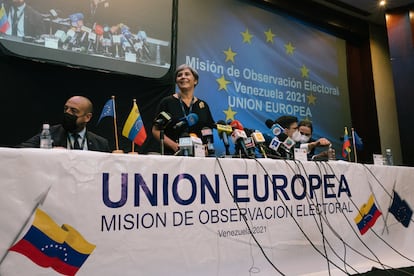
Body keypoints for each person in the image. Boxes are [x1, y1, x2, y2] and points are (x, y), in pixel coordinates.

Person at [152, 64, 216, 155]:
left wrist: (206, 146)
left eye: (187, 74)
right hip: (173, 155)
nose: (183, 77)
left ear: (195, 81)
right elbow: (156, 130)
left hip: (198, 156)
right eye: (179, 75)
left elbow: (208, 130)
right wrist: (174, 146)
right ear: (176, 81)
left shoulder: (203, 106)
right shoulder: (167, 102)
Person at [19, 95, 110, 152]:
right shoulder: (50, 133)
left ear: (87, 117)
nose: (68, 113)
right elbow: (21, 150)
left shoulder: (100, 143)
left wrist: (117, 158)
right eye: (66, 109)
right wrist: (48, 152)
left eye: (74, 111)